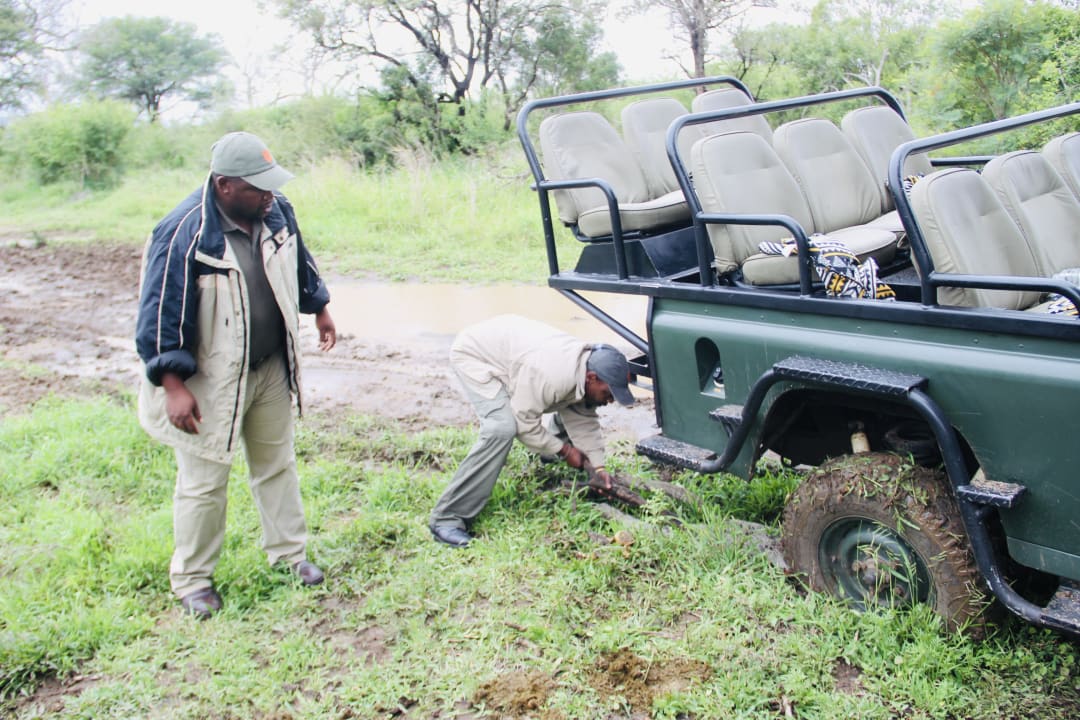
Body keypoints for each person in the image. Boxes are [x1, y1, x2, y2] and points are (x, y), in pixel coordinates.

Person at [135, 131, 336, 619]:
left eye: (271, 185)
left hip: (269, 367)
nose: (268, 194)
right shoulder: (183, 232)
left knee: (277, 465)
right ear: (225, 185)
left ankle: (289, 556)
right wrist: (173, 385)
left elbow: (299, 261)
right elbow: (159, 313)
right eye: (256, 187)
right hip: (209, 381)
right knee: (203, 483)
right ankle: (193, 581)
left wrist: (320, 308)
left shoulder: (277, 211)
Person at [429, 314, 635, 547]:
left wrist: (599, 467)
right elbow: (524, 424)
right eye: (609, 394)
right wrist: (565, 451)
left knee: (578, 403)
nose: (610, 401)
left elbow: (583, 417)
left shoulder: (583, 370)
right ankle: (447, 518)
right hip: (476, 355)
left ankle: (547, 456)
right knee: (502, 427)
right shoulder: (552, 376)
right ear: (592, 377)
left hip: (517, 353)